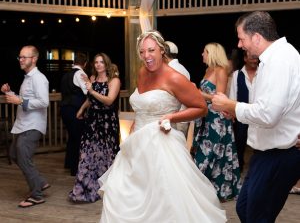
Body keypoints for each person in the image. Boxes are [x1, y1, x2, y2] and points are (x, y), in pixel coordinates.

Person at [98, 30, 227, 222]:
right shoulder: (142, 72)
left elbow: (201, 108)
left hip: (161, 145)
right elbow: (142, 103)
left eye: (151, 50)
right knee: (125, 193)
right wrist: (135, 122)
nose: (146, 56)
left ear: (161, 50)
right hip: (135, 145)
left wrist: (172, 117)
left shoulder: (174, 77)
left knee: (163, 199)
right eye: (142, 52)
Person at [211, 11, 300, 222]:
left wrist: (230, 104)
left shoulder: (279, 61)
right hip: (267, 151)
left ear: (257, 37)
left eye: (242, 38)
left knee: (256, 215)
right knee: (244, 208)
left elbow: (268, 114)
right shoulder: (275, 59)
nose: (240, 45)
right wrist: (234, 109)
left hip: (279, 154)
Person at [191, 42, 241, 202]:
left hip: (217, 118)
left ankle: (217, 191)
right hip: (205, 116)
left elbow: (219, 97)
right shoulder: (208, 70)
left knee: (215, 153)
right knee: (204, 151)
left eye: (205, 51)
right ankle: (204, 190)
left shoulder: (221, 71)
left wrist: (198, 93)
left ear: (212, 53)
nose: (202, 54)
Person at [1, 45, 50, 208]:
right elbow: (23, 99)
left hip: (33, 125)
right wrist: (10, 94)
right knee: (14, 154)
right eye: (20, 57)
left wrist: (20, 100)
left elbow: (44, 102)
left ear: (34, 59)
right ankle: (40, 182)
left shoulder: (39, 78)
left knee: (23, 156)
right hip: (24, 124)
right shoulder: (28, 78)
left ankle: (36, 195)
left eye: (24, 57)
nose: (20, 60)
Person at [69, 53, 121, 203]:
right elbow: (90, 99)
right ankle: (83, 188)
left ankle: (106, 187)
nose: (98, 65)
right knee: (86, 153)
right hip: (92, 120)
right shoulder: (92, 79)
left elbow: (109, 100)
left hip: (107, 122)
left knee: (106, 154)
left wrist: (92, 91)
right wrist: (81, 109)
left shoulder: (114, 80)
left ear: (107, 64)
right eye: (96, 62)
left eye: (101, 62)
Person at [229, 51, 259, 172]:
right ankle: (239, 167)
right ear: (245, 58)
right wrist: (232, 112)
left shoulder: (263, 73)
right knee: (240, 140)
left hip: (258, 113)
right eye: (252, 58)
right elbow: (233, 94)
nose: (255, 60)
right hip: (242, 113)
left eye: (256, 58)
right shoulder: (237, 74)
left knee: (259, 142)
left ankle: (257, 168)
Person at [60, 52, 88, 176]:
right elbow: (88, 91)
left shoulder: (66, 75)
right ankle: (75, 169)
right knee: (78, 138)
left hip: (64, 109)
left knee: (72, 137)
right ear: (85, 64)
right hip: (75, 110)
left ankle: (69, 163)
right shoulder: (80, 73)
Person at [165, 40, 191, 137]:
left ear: (165, 55)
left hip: (177, 117)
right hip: (183, 116)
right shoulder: (183, 69)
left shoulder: (171, 70)